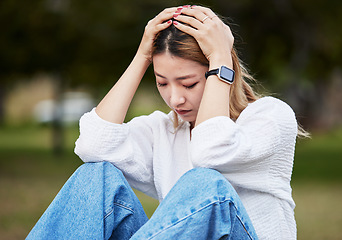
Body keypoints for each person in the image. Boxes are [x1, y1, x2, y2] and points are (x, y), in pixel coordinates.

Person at [27, 5, 301, 240]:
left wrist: (220, 56)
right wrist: (141, 57)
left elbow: (209, 152)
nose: (175, 99)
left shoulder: (271, 117)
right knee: (96, 175)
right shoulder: (164, 131)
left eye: (189, 83)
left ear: (221, 73)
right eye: (162, 83)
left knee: (207, 184)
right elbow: (92, 146)